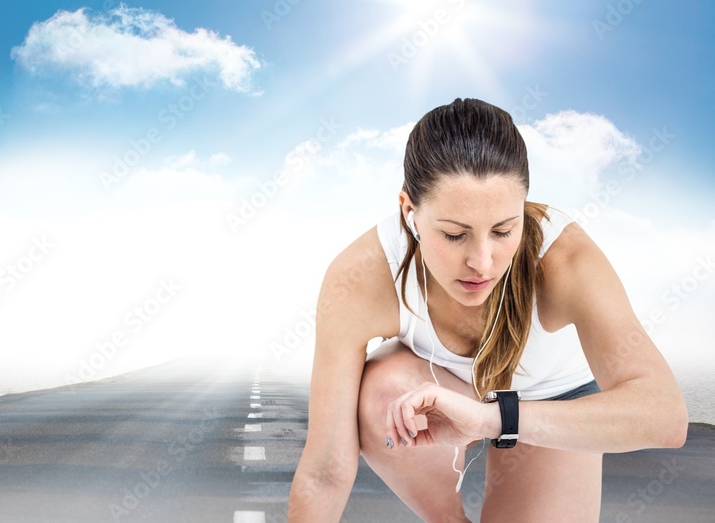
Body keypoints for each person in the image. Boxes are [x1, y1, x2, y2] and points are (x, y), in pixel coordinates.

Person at [286, 98, 688, 522]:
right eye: (455, 235)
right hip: (437, 385)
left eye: (502, 230)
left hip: (552, 400)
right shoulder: (361, 276)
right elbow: (325, 470)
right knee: (385, 393)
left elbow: (665, 415)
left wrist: (490, 419)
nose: (482, 261)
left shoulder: (566, 260)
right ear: (410, 213)